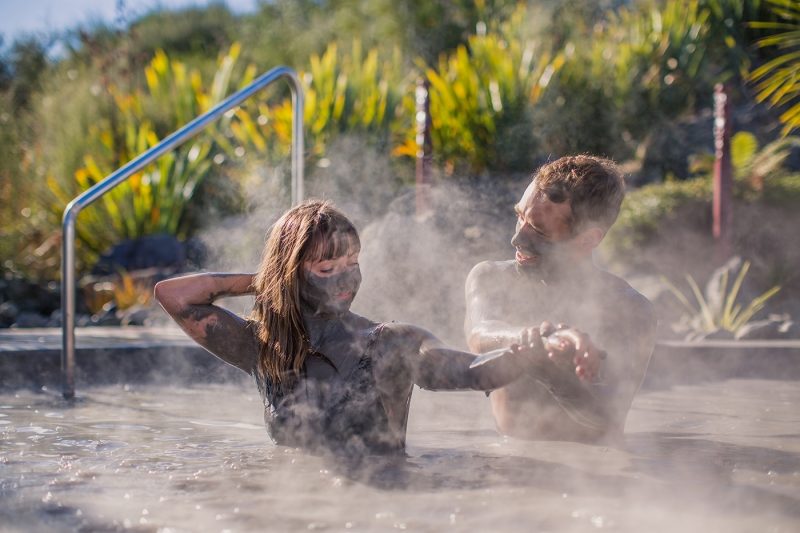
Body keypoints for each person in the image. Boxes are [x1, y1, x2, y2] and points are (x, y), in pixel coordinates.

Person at [155, 200, 593, 456]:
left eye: (354, 263)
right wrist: (273, 280)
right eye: (328, 267)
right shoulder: (262, 348)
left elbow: (475, 371)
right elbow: (173, 295)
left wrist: (532, 349)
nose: (347, 279)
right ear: (290, 273)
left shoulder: (389, 343)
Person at [465, 155, 656, 443]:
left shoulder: (629, 309)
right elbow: (481, 334)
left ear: (589, 239)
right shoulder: (491, 277)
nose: (517, 240)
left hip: (597, 473)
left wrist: (555, 373)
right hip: (509, 458)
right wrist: (540, 342)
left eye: (539, 230)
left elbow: (606, 418)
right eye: (520, 217)